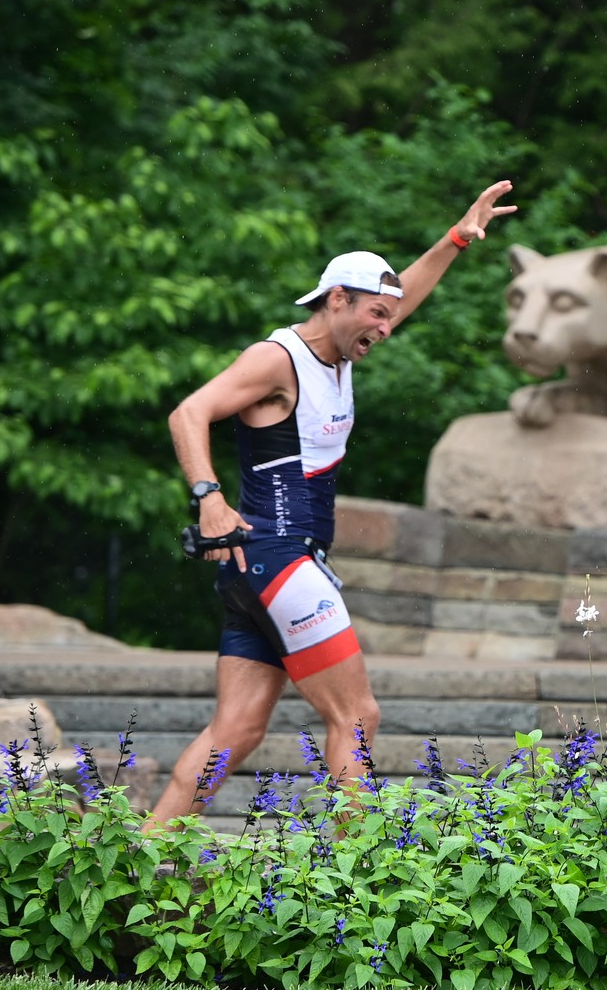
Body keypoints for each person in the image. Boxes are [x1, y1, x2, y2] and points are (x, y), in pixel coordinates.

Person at [145, 181, 517, 827]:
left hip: (255, 571)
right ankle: (360, 879)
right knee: (356, 715)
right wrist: (208, 497)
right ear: (336, 300)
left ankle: (140, 856)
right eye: (375, 314)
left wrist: (456, 240)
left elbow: (406, 296)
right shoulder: (278, 358)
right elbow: (189, 412)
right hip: (275, 557)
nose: (386, 326)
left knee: (235, 730)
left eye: (388, 316)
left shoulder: (341, 354)